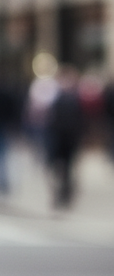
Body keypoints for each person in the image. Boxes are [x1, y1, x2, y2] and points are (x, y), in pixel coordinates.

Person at [46, 65, 85, 209]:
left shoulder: (76, 98)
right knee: (56, 168)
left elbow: (81, 120)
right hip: (57, 138)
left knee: (68, 168)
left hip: (70, 139)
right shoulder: (56, 97)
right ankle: (59, 194)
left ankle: (66, 194)